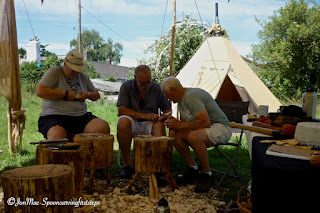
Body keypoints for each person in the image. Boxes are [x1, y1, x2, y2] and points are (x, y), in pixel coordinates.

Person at [161, 77, 232, 193]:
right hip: (206, 128)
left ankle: (206, 174)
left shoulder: (191, 96)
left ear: (173, 90)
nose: (167, 98)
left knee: (194, 136)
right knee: (174, 134)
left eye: (167, 94)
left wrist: (179, 125)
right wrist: (175, 123)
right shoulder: (181, 101)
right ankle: (193, 169)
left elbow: (205, 122)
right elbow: (186, 125)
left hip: (221, 127)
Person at [36, 51, 110, 140]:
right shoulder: (55, 72)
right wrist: (65, 94)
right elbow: (40, 91)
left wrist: (87, 94)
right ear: (65, 64)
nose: (75, 73)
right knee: (57, 134)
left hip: (80, 116)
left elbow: (96, 95)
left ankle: (86, 152)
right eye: (73, 70)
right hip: (54, 116)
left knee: (102, 126)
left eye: (78, 70)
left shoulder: (83, 76)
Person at [117, 65, 172, 179]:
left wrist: (164, 116)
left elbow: (167, 109)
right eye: (143, 83)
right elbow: (121, 110)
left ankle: (159, 167)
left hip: (150, 123)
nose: (146, 85)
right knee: (123, 122)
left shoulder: (157, 88)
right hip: (133, 121)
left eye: (148, 82)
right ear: (135, 77)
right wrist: (145, 116)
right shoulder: (126, 86)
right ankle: (127, 166)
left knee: (159, 126)